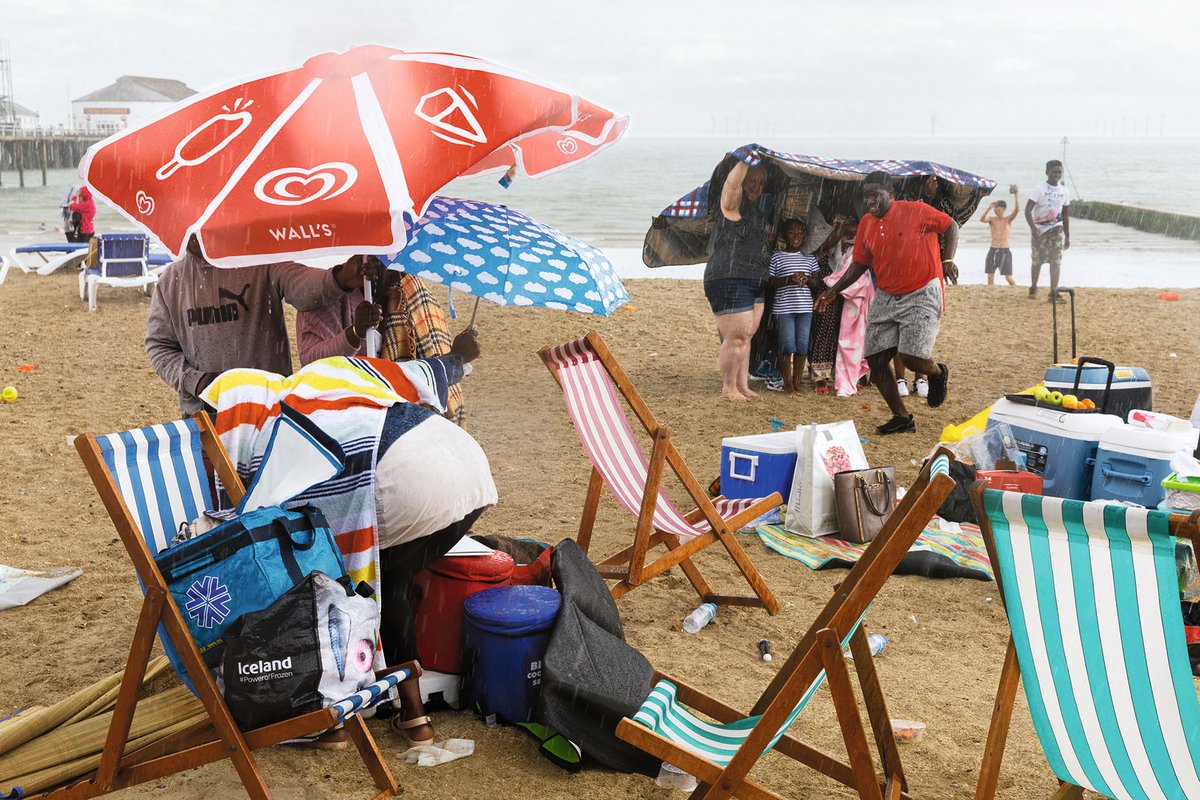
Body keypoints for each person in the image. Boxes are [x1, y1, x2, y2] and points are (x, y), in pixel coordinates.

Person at [145, 234, 377, 415]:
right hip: (203, 413)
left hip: (269, 407)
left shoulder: (260, 263)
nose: (195, 233)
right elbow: (159, 347)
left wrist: (339, 278)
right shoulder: (170, 282)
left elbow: (302, 287)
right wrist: (196, 381)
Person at [815, 171, 958, 435]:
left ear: (890, 195)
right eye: (866, 195)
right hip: (887, 294)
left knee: (912, 357)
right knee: (876, 359)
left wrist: (947, 260)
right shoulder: (867, 224)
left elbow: (950, 226)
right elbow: (859, 263)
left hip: (922, 289)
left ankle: (937, 373)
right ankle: (901, 416)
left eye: (875, 194)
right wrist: (833, 290)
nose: (869, 200)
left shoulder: (915, 210)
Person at [296, 270, 476, 424]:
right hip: (348, 419)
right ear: (363, 260)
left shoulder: (412, 291)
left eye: (401, 266)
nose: (397, 276)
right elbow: (316, 368)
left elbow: (422, 365)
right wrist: (355, 333)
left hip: (405, 419)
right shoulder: (327, 297)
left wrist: (456, 360)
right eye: (386, 264)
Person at [704, 160, 772, 401]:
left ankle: (742, 385)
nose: (756, 187)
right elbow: (732, 184)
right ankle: (728, 387)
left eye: (761, 183)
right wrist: (746, 159)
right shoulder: (732, 205)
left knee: (747, 337)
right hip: (729, 276)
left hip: (754, 278)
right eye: (752, 181)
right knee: (737, 336)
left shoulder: (758, 211)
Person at [766, 219, 819, 394]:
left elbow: (817, 283)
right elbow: (771, 281)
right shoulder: (777, 256)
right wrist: (789, 279)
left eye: (799, 232)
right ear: (784, 236)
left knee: (803, 346)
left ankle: (797, 383)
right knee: (787, 346)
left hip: (805, 309)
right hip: (783, 309)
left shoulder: (810, 258)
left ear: (804, 236)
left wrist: (807, 279)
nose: (796, 236)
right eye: (791, 232)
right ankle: (787, 384)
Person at [1026, 160, 1070, 301]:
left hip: (1057, 230)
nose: (1057, 174)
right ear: (1047, 172)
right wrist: (1033, 229)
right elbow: (1027, 211)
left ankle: (1054, 292)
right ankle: (1033, 286)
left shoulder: (1064, 191)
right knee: (1037, 261)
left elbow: (1065, 215)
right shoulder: (1039, 189)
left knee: (1056, 261)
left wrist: (1067, 236)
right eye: (1054, 171)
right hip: (1040, 231)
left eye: (1059, 172)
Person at [980, 186, 1020, 286]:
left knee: (1008, 277)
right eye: (995, 207)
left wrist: (1016, 195)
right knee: (990, 276)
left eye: (998, 207)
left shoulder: (1008, 219)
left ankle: (1015, 289)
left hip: (1004, 250)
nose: (996, 209)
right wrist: (989, 208)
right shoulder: (992, 219)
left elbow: (1017, 210)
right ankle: (990, 294)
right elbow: (982, 219)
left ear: (1003, 208)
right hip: (993, 249)